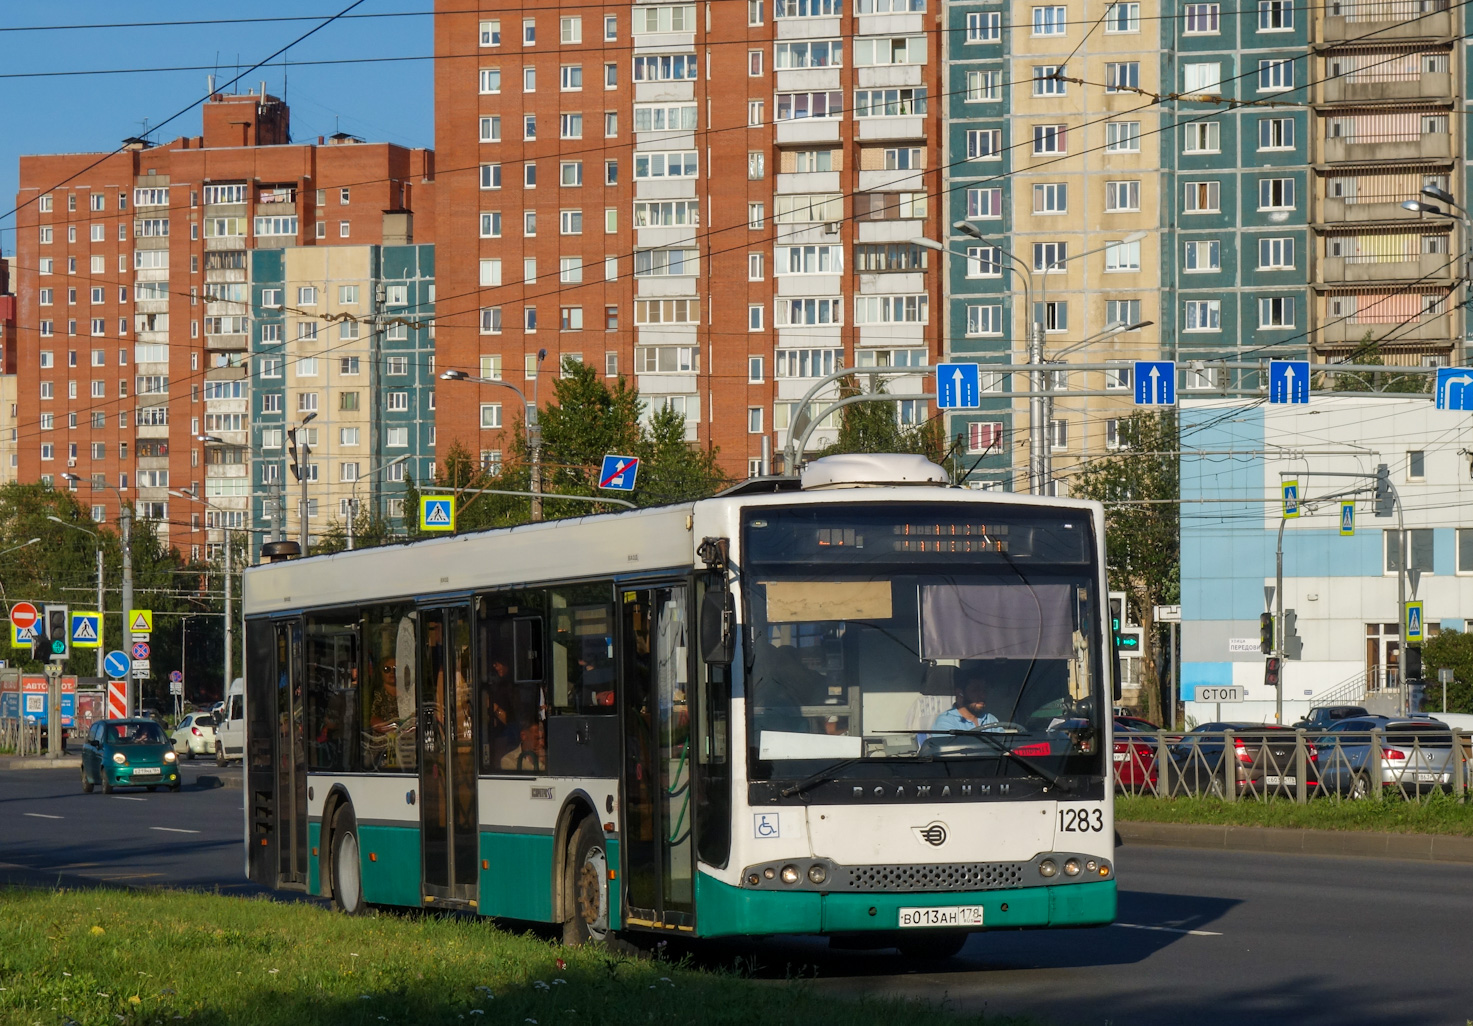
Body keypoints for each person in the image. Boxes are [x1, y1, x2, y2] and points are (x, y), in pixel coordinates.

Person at [924, 679, 1000, 740]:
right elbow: (950, 753)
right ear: (960, 693)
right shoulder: (945, 721)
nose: (982, 695)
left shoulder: (990, 719)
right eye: (975, 690)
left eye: (984, 690)